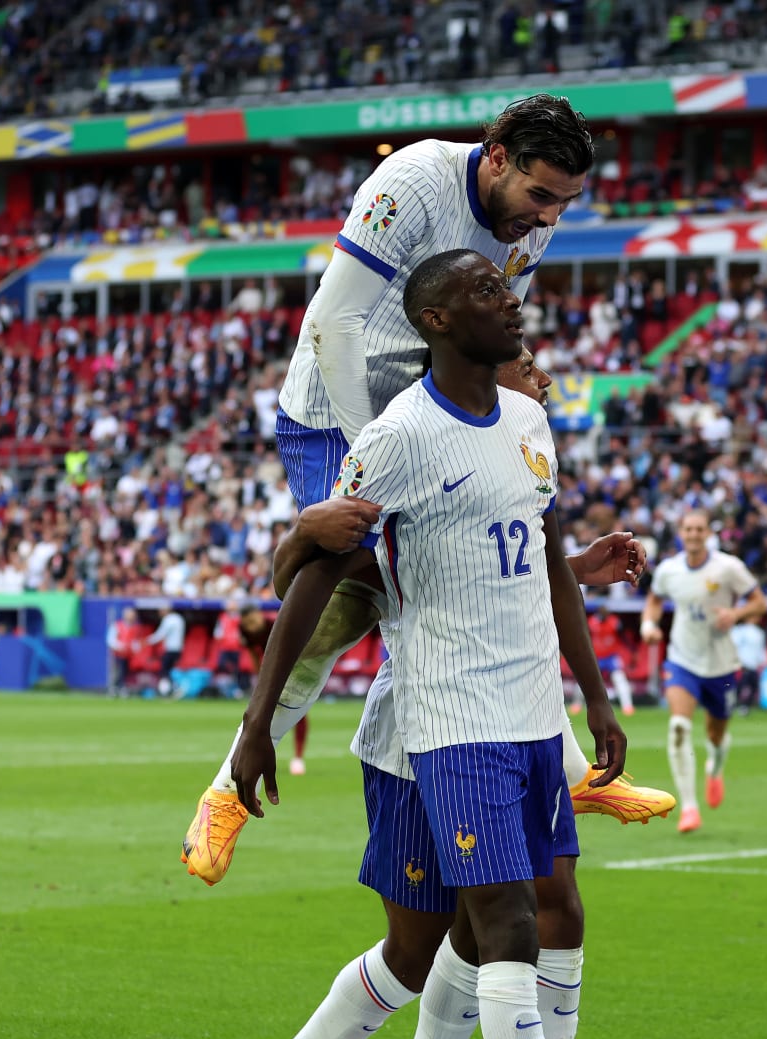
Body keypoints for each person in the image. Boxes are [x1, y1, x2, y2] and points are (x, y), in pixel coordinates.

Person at [229, 250, 637, 1039]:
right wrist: (255, 728)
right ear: (442, 320)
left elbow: (530, 555)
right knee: (475, 928)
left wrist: (594, 695)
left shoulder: (532, 425)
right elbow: (319, 570)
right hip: (436, 722)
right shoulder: (399, 436)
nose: (519, 305)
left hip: (524, 715)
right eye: (495, 295)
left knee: (512, 917)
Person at [187, 96, 667, 874]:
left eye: (565, 203)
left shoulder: (530, 221)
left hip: (433, 403)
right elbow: (334, 324)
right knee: (344, 589)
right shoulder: (411, 181)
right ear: (498, 156)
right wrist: (364, 455)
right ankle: (224, 793)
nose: (548, 216)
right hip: (334, 410)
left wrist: (518, 389)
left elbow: (496, 325)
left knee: (483, 582)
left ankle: (573, 770)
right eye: (541, 195)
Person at [641, 507, 767, 833]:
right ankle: (689, 808)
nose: (694, 535)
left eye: (699, 529)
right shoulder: (669, 570)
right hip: (682, 660)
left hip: (722, 664)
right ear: (681, 533)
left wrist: (736, 614)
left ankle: (716, 768)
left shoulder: (728, 567)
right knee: (679, 726)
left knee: (716, 733)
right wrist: (648, 624)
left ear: (708, 533)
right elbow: (654, 600)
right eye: (688, 529)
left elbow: (760, 602)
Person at [580, 606, 633, 716]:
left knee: (619, 678)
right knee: (585, 678)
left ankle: (627, 706)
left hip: (611, 657)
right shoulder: (592, 622)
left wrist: (632, 650)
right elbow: (585, 637)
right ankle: (577, 704)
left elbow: (623, 636)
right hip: (596, 656)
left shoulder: (614, 622)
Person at [147, 606, 187, 696]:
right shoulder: (179, 618)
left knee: (165, 671)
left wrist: (147, 641)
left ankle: (173, 688)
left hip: (171, 649)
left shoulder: (168, 620)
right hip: (179, 649)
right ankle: (171, 689)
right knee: (169, 670)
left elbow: (160, 634)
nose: (159, 613)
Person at [107, 607, 141, 696]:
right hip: (117, 654)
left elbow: (135, 641)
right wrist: (120, 646)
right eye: (130, 615)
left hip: (128, 655)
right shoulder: (117, 625)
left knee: (125, 673)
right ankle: (113, 688)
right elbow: (110, 640)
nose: (132, 617)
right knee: (116, 672)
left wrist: (134, 648)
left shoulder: (135, 627)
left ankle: (123, 688)